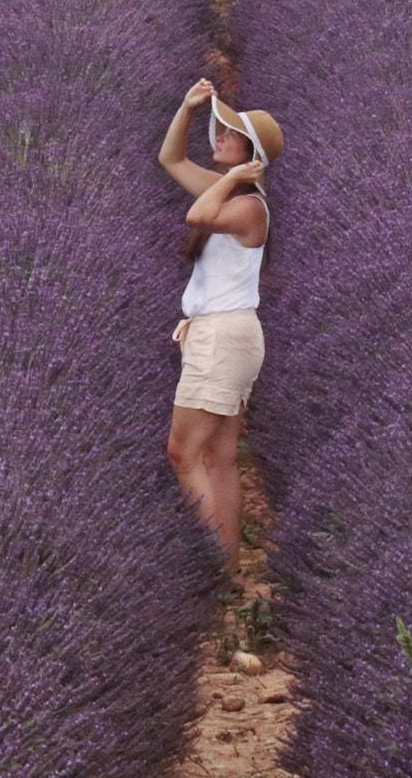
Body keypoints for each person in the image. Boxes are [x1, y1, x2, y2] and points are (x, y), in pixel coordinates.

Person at [156, 76, 283, 563]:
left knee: (182, 454)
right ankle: (227, 567)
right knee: (219, 457)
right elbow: (170, 160)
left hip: (223, 336)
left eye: (229, 134)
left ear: (250, 154)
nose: (219, 138)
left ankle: (207, 565)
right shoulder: (231, 193)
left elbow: (196, 218)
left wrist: (233, 178)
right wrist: (188, 108)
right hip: (227, 334)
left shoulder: (249, 206)